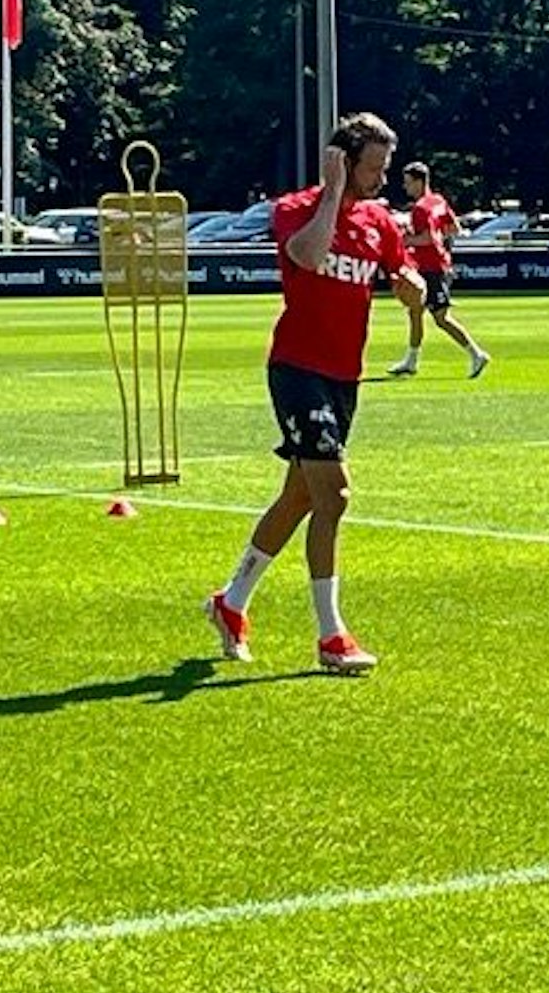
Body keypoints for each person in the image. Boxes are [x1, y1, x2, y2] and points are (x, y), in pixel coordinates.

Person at [205, 112, 426, 674]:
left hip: (342, 376)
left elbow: (406, 281)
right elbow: (305, 256)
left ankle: (230, 604)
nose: (381, 179)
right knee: (336, 497)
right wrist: (332, 194)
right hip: (297, 369)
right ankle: (332, 637)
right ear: (342, 161)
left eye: (385, 168)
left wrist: (412, 290)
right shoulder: (296, 209)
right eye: (372, 167)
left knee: (301, 498)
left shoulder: (381, 222)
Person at [386, 162, 490, 379]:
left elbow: (426, 239)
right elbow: (454, 228)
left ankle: (476, 354)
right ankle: (411, 361)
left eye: (408, 183)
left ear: (419, 181)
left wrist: (403, 241)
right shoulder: (438, 201)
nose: (406, 188)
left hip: (431, 268)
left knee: (441, 318)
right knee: (415, 312)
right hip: (432, 266)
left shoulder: (421, 209)